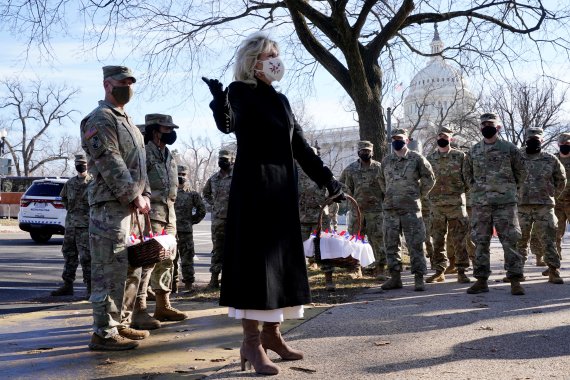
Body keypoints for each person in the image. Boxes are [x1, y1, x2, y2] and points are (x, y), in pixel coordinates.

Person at [204, 32, 344, 376]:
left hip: (282, 192)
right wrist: (220, 100)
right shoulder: (240, 92)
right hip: (253, 192)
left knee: (280, 267)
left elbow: (300, 148)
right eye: (269, 54)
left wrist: (327, 178)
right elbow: (228, 124)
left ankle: (272, 335)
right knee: (256, 267)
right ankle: (251, 343)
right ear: (253, 61)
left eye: (277, 54)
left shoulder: (281, 100)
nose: (275, 59)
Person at [81, 65, 151, 350]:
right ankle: (103, 332)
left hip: (131, 207)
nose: (128, 87)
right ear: (107, 84)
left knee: (130, 267)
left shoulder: (128, 121)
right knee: (108, 268)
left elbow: (139, 165)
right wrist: (134, 195)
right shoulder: (100, 118)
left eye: (131, 82)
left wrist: (143, 194)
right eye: (123, 82)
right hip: (110, 207)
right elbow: (110, 160)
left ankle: (121, 322)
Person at [127, 113, 187, 331]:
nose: (171, 133)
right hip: (149, 215)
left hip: (169, 214)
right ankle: (139, 309)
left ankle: (163, 305)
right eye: (166, 129)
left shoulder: (168, 154)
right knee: (146, 262)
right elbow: (135, 182)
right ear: (154, 130)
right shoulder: (142, 153)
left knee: (167, 259)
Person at [463, 112, 527, 295]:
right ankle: (481, 280)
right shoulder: (474, 151)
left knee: (510, 241)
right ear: (480, 127)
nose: (486, 127)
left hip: (505, 204)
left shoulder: (510, 148)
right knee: (480, 241)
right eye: (483, 124)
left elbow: (521, 172)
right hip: (481, 204)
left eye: (490, 124)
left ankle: (515, 280)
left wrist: (510, 190)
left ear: (498, 127)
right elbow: (467, 174)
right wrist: (477, 190)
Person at [379, 128, 435, 292]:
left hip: (411, 209)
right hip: (390, 210)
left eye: (400, 138)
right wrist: (389, 194)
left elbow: (430, 178)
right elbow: (381, 180)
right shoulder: (386, 161)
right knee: (391, 244)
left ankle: (419, 278)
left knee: (415, 243)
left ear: (407, 140)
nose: (397, 140)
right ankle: (395, 278)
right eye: (394, 138)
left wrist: (418, 194)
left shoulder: (417, 158)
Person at [514, 127, 565, 284]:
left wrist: (551, 195)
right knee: (519, 240)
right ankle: (517, 272)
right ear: (526, 140)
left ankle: (553, 270)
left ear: (542, 141)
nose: (533, 141)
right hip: (521, 206)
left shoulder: (550, 159)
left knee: (549, 238)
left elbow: (561, 179)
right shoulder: (516, 157)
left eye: (537, 139)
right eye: (530, 139)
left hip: (544, 206)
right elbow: (508, 177)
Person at [425, 126, 471, 284]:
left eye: (445, 136)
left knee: (459, 239)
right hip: (436, 206)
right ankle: (439, 270)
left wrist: (456, 191)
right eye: (439, 135)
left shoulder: (460, 157)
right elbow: (425, 181)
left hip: (456, 205)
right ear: (436, 138)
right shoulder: (430, 159)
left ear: (451, 138)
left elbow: (468, 179)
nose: (442, 138)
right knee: (437, 239)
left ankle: (462, 271)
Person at [339, 140, 386, 280]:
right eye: (362, 151)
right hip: (357, 212)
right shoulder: (350, 169)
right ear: (358, 152)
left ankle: (380, 268)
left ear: (372, 152)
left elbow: (386, 188)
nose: (365, 153)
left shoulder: (380, 168)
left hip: (376, 212)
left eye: (367, 150)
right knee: (354, 240)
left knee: (378, 240)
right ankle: (355, 268)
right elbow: (344, 187)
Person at [51, 154, 93, 297]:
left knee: (87, 258)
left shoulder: (93, 182)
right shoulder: (70, 183)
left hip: (86, 227)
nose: (80, 166)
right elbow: (63, 198)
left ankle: (90, 288)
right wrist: (72, 210)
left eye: (83, 163)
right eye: (78, 163)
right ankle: (67, 285)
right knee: (69, 255)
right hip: (71, 226)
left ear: (88, 165)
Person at [297, 147, 335, 291]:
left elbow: (335, 189)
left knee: (324, 248)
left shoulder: (322, 171)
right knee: (298, 251)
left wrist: (326, 202)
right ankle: (300, 282)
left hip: (320, 218)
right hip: (301, 217)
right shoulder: (296, 171)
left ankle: (329, 279)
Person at [202, 149, 234, 289]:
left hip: (235, 220)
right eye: (220, 159)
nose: (222, 161)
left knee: (234, 249)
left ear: (232, 160)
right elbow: (206, 193)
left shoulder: (238, 177)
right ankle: (214, 279)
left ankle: (231, 280)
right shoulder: (213, 178)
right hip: (218, 220)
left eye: (225, 159)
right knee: (217, 250)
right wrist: (214, 204)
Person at [174, 164, 206, 292]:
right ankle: (171, 286)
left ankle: (188, 285)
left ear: (187, 176)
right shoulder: (169, 190)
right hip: (171, 231)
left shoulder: (192, 193)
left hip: (186, 231)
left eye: (183, 175)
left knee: (187, 259)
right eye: (178, 174)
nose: (180, 177)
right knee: (170, 260)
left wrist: (191, 221)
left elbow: (202, 210)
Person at [555, 132, 570, 259]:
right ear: (558, 144)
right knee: (555, 233)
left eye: (568, 144)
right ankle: (555, 261)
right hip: (556, 203)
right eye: (563, 144)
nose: (565, 146)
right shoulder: (551, 160)